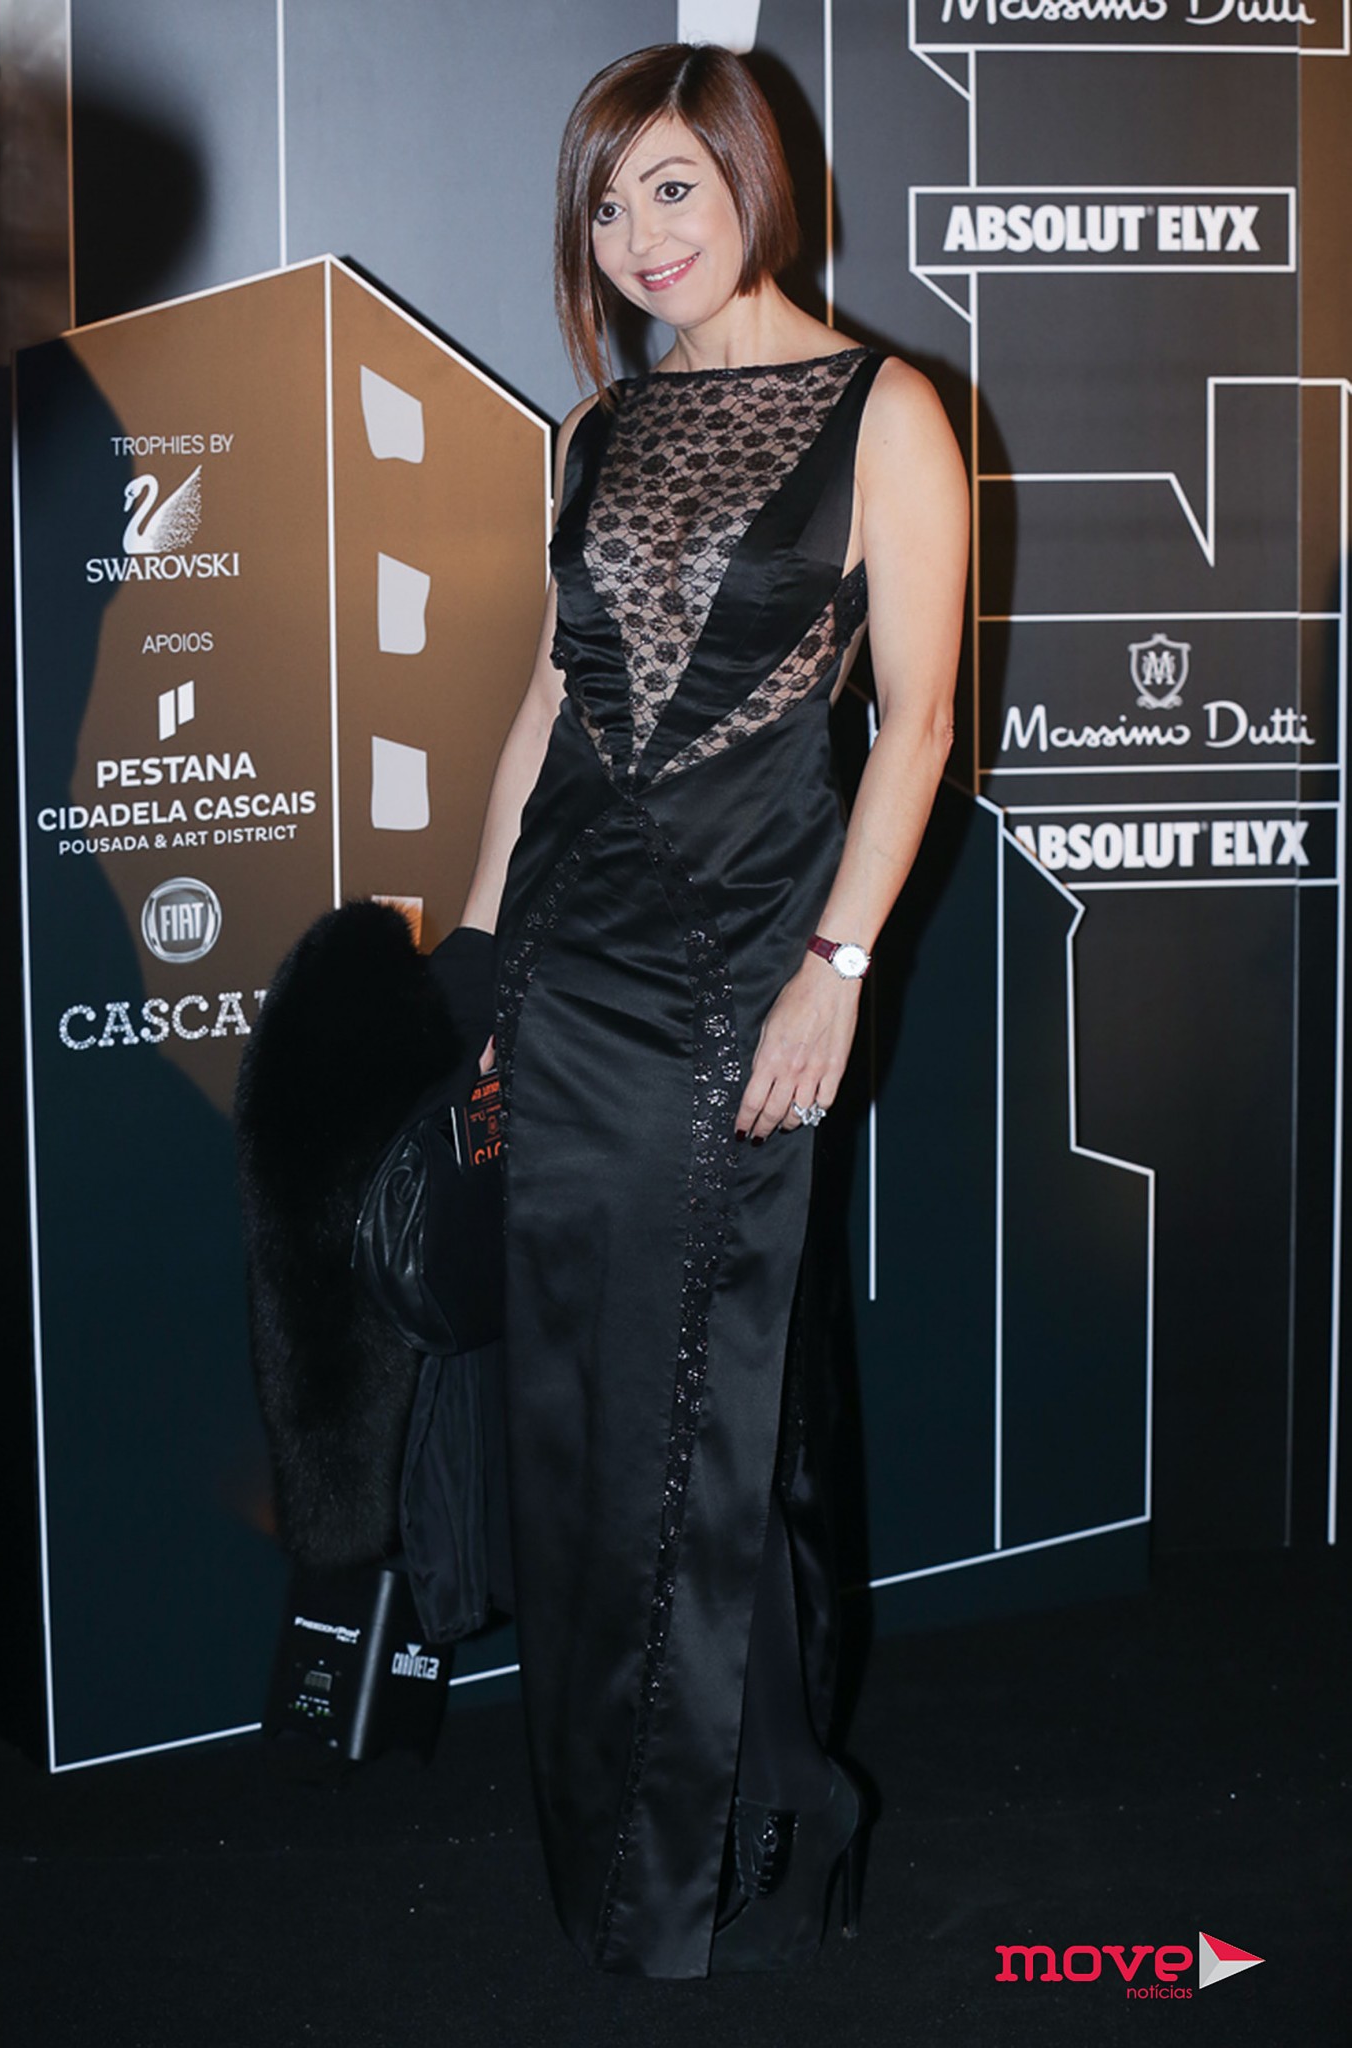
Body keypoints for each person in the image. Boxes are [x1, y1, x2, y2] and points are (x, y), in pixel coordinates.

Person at [453, 42, 967, 1978]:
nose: (637, 234)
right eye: (605, 202)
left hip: (743, 963)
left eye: (671, 184)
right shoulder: (598, 428)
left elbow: (915, 722)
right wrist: (480, 966)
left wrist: (835, 970)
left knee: (700, 1403)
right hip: (568, 961)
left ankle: (715, 1834)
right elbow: (545, 704)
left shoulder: (882, 409)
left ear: (755, 175)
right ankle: (653, 1819)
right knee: (578, 1412)